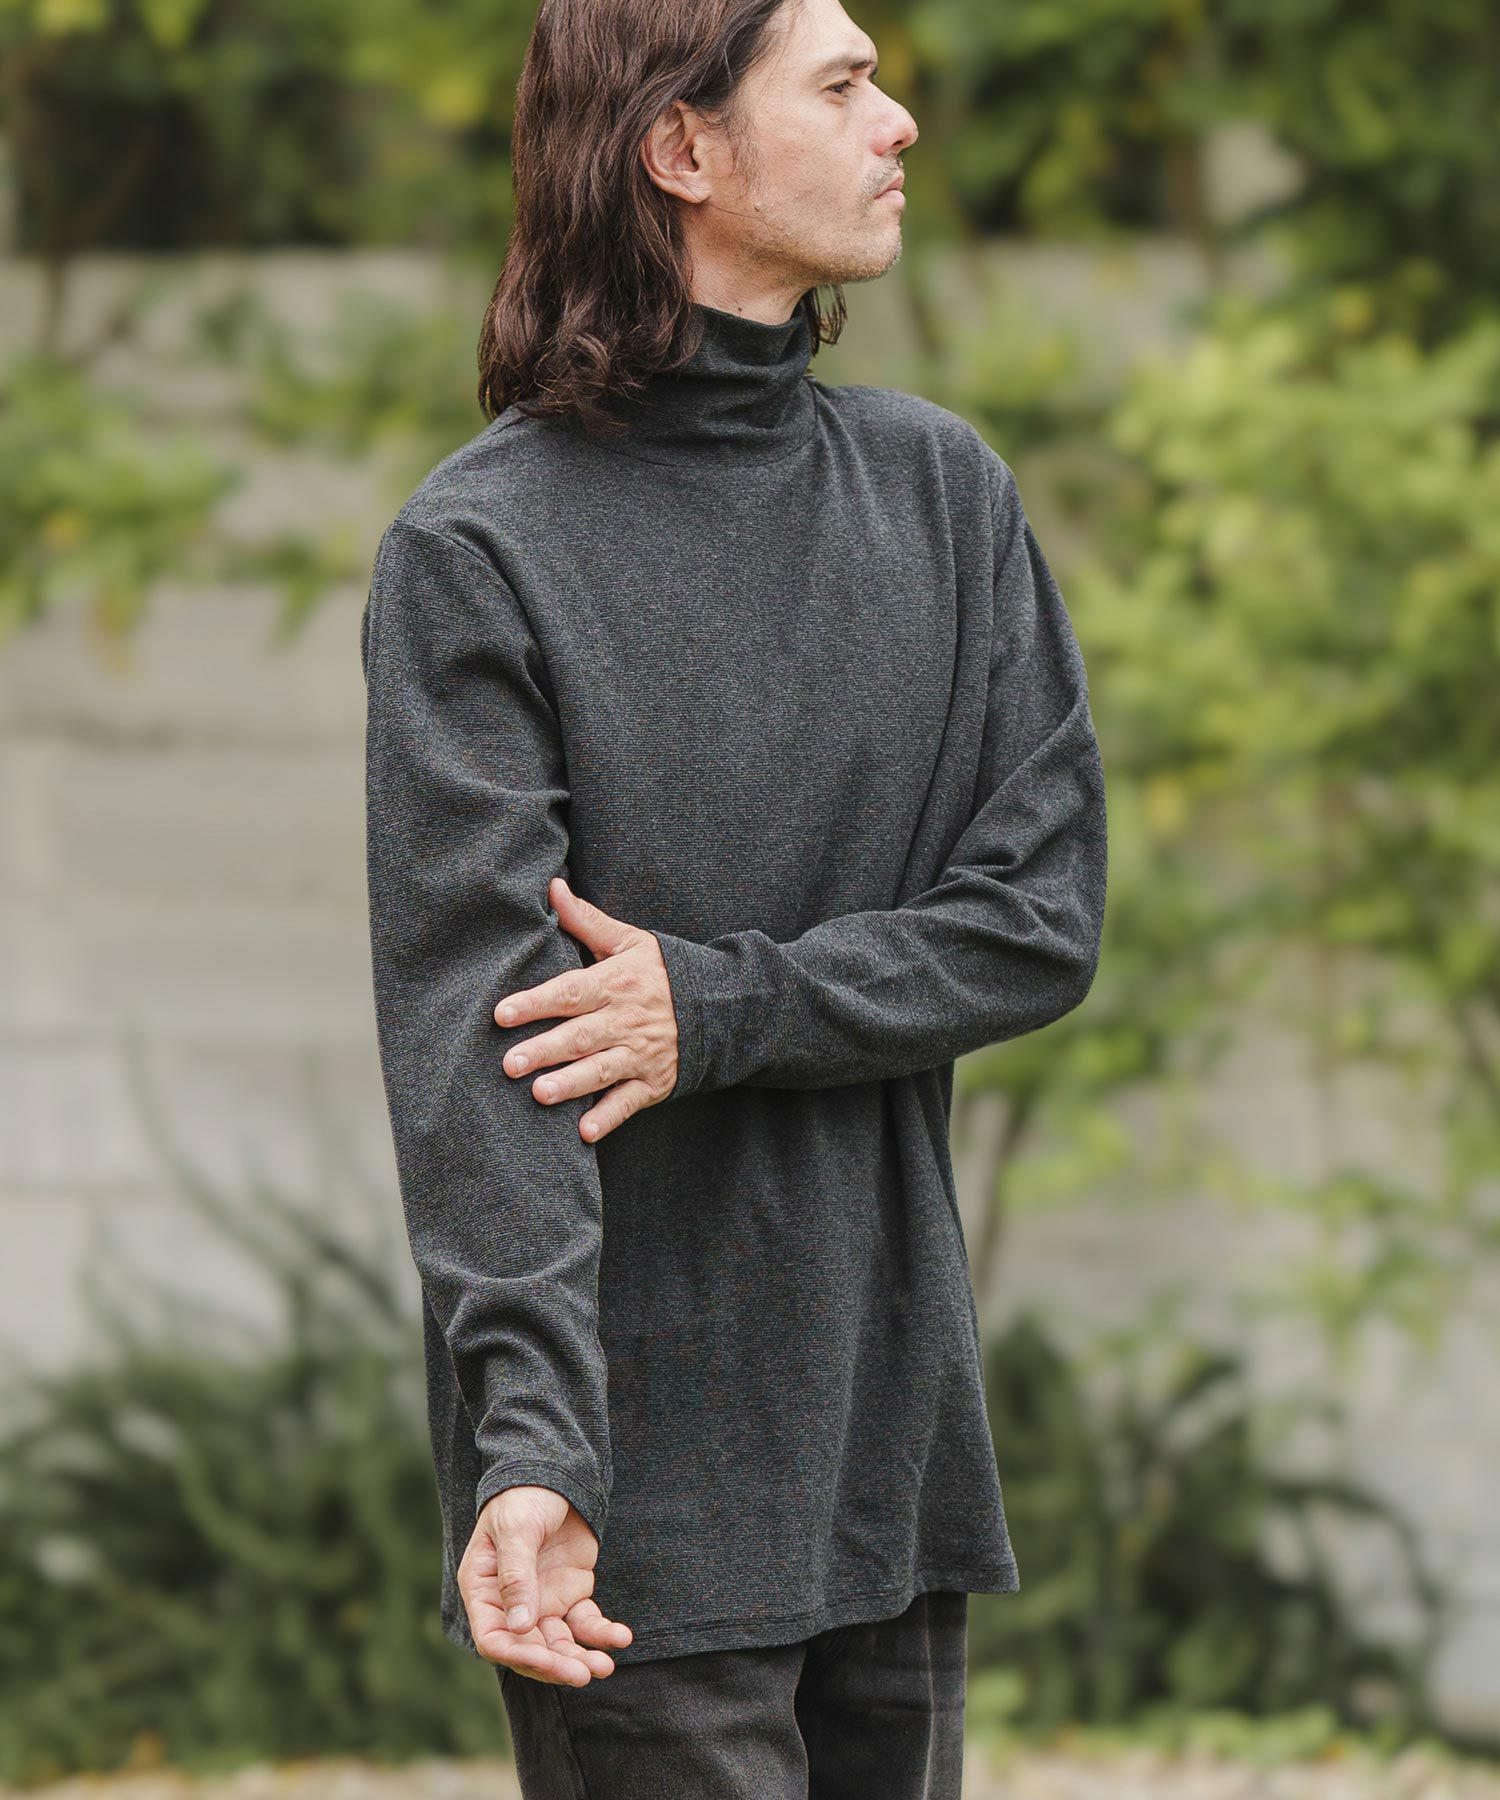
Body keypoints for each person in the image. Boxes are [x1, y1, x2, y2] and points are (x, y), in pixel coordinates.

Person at [360, 0, 1108, 1790]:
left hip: (887, 1465)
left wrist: (719, 1007)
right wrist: (534, 1445)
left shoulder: (943, 496)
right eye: (843, 84)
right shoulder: (479, 551)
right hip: (628, 1506)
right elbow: (483, 1048)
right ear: (680, 148)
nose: (899, 120)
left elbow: (1037, 919)